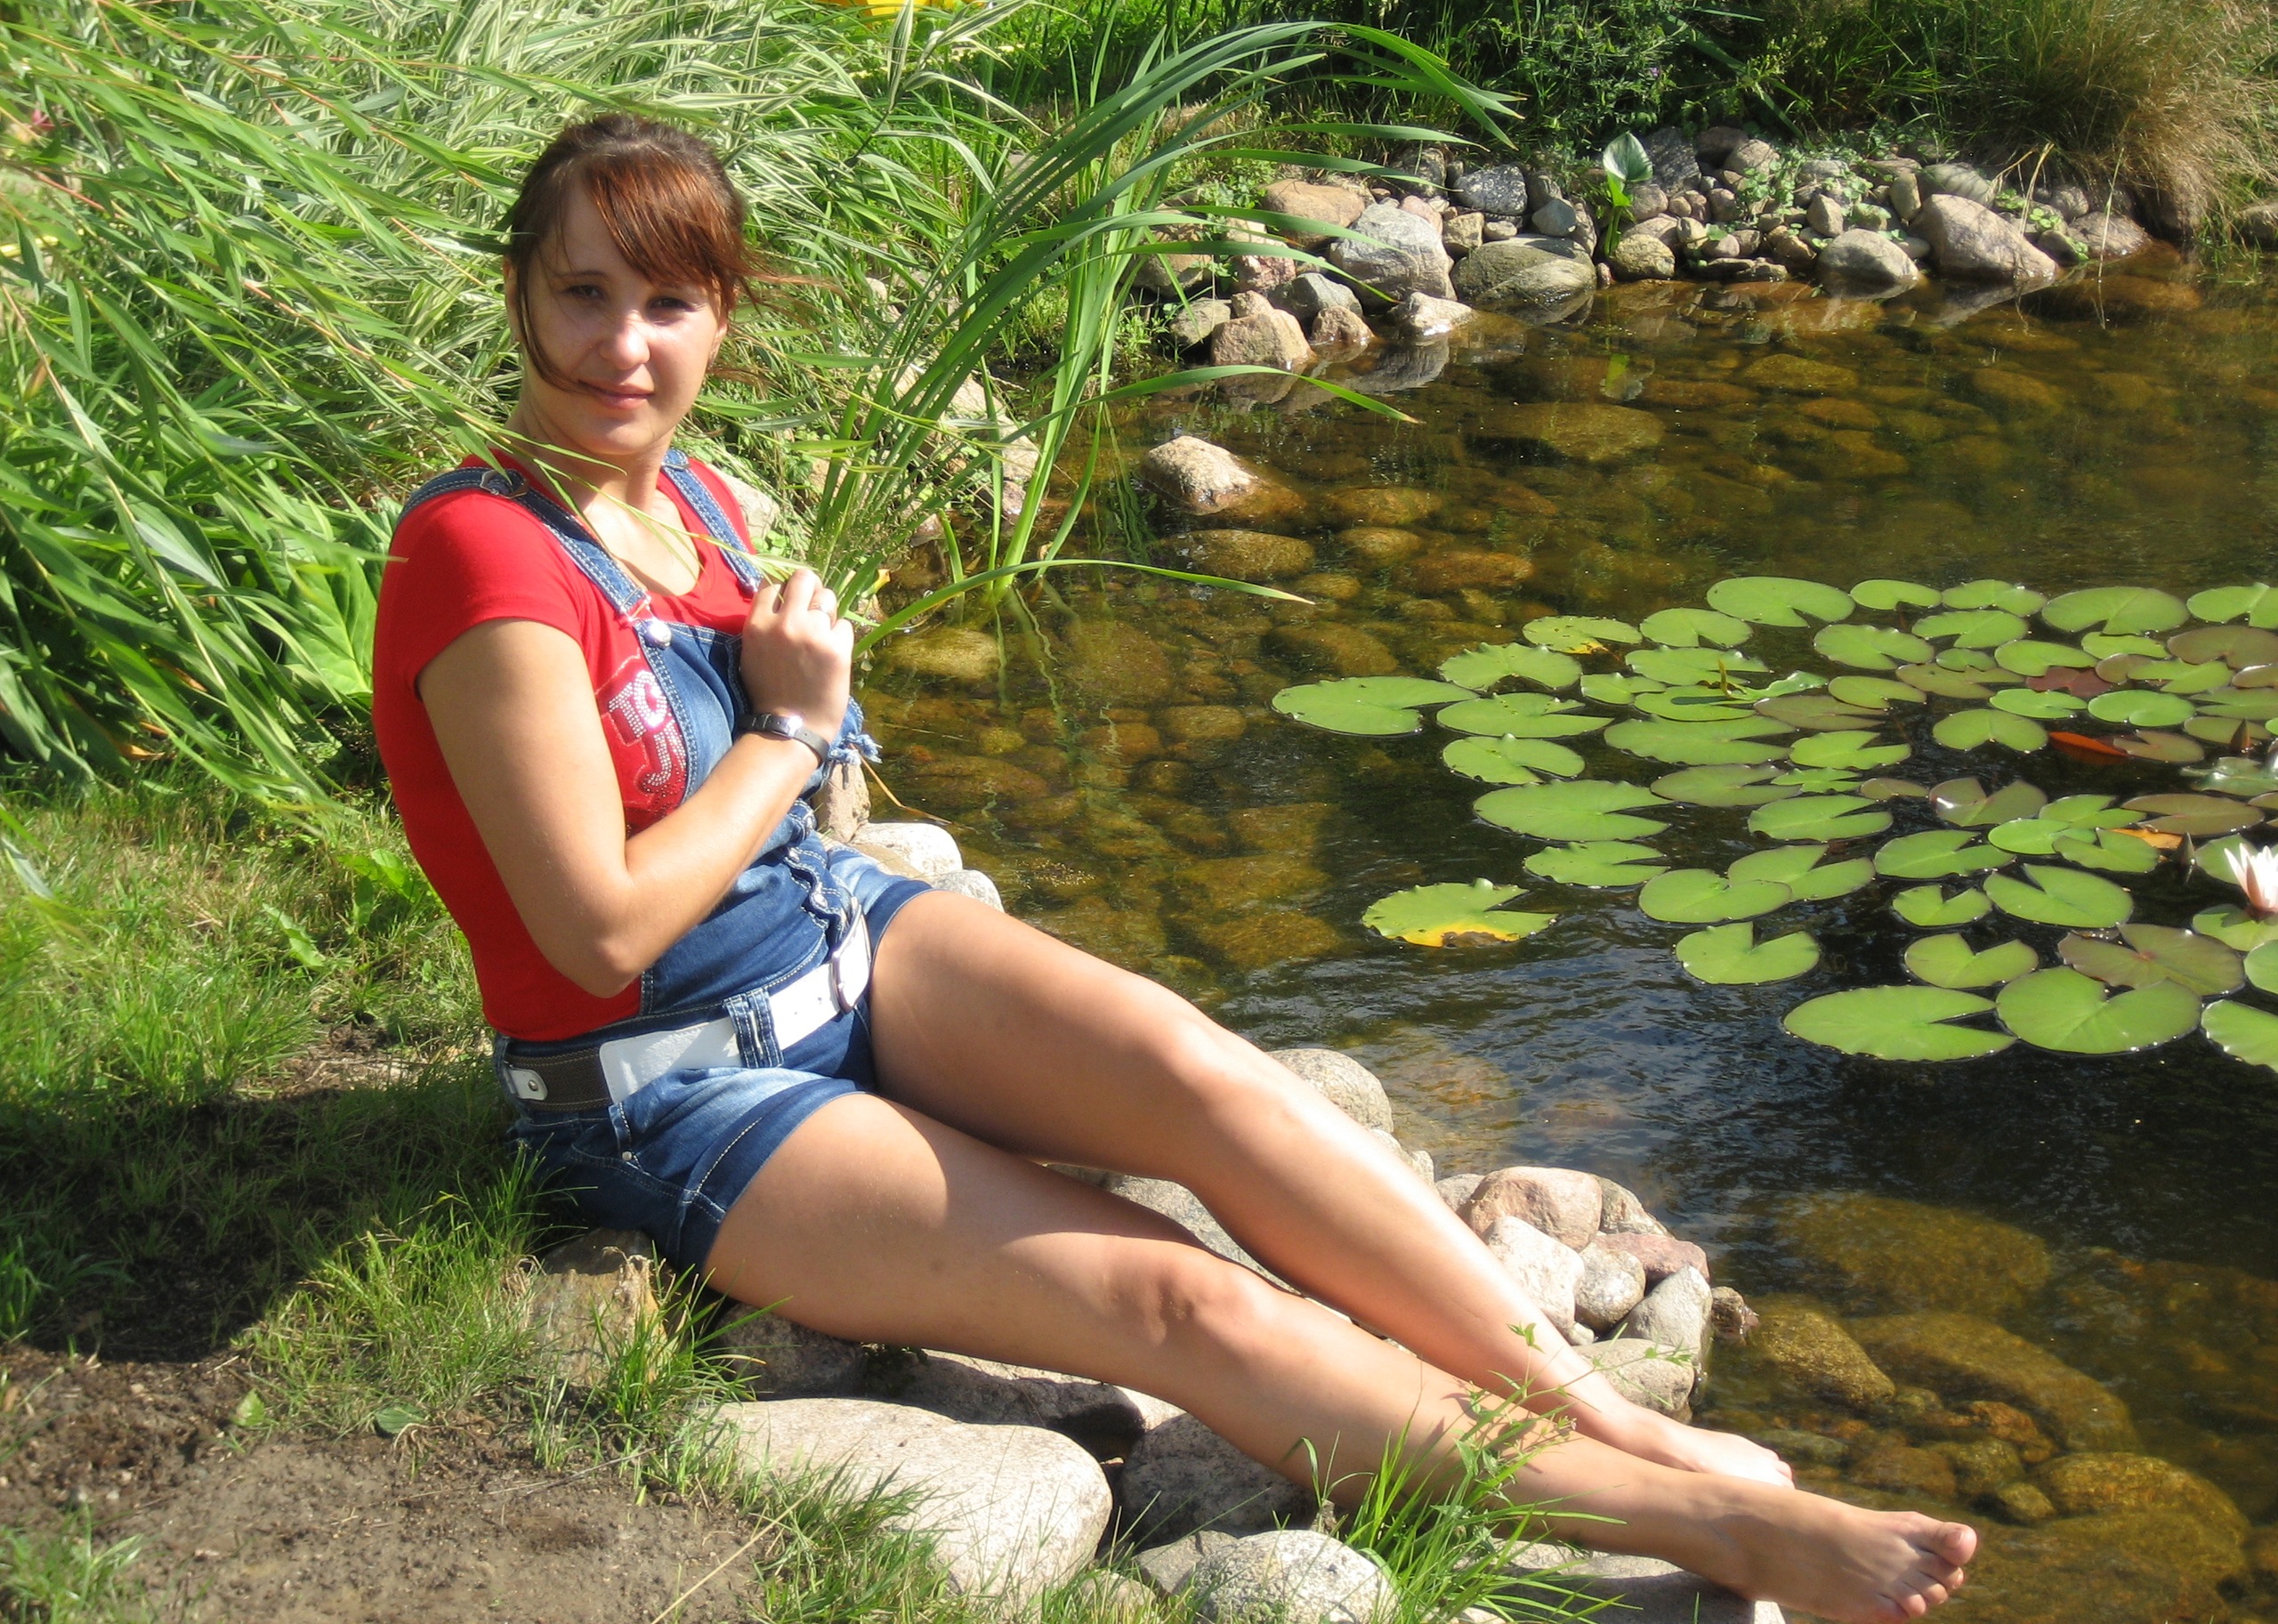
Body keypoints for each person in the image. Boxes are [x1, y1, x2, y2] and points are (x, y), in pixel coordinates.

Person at [371, 114, 1975, 1623]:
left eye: (668, 302)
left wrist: (797, 747)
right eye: (583, 294)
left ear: (724, 319)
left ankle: (1603, 1417)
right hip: (666, 1083)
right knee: (1181, 1307)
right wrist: (791, 731)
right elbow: (596, 933)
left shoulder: (695, 506)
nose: (624, 346)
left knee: (1213, 1082)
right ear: (519, 292)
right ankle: (1714, 1529)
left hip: (840, 944)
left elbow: (771, 815)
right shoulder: (482, 553)